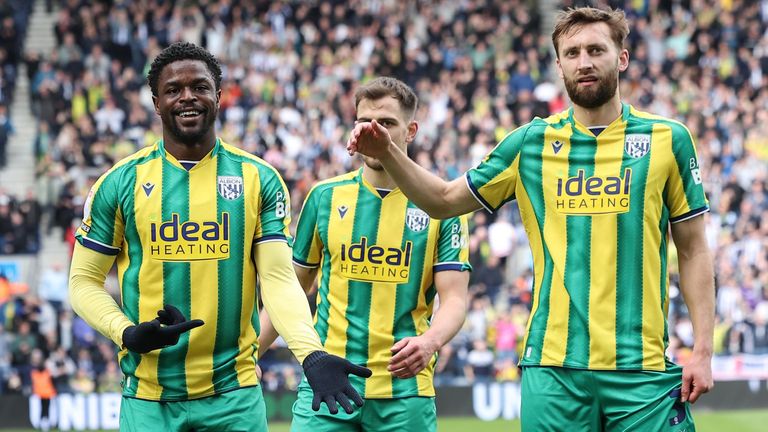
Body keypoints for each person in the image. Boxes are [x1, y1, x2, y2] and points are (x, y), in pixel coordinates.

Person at [347, 7, 715, 431]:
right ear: (559, 65)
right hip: (553, 367)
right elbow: (444, 201)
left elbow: (693, 248)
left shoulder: (668, 140)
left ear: (622, 58)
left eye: (597, 49)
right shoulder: (530, 143)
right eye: (572, 52)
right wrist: (388, 152)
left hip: (641, 367)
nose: (585, 61)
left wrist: (703, 350)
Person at [68, 42, 371, 432]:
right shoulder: (119, 182)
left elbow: (278, 279)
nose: (187, 97)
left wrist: (310, 354)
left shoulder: (259, 179)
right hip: (148, 397)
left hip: (234, 396)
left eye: (199, 86)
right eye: (174, 90)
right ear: (156, 102)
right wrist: (124, 331)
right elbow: (82, 282)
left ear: (219, 96)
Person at [259, 77, 472, 432]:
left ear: (411, 130)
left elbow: (455, 299)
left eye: (386, 123)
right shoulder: (324, 197)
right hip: (327, 382)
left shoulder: (441, 206)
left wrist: (430, 342)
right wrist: (250, 355)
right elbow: (289, 290)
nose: (373, 132)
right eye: (364, 122)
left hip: (404, 392)